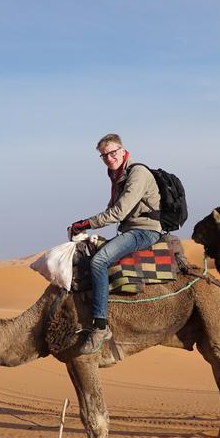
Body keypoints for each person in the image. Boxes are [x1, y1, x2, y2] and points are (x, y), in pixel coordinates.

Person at [68, 134, 162, 354]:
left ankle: (100, 327)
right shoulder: (117, 174)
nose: (109, 158)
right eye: (104, 155)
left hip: (145, 232)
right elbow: (113, 208)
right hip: (130, 230)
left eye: (112, 153)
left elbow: (119, 211)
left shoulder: (137, 173)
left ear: (122, 150)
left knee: (99, 261)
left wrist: (85, 223)